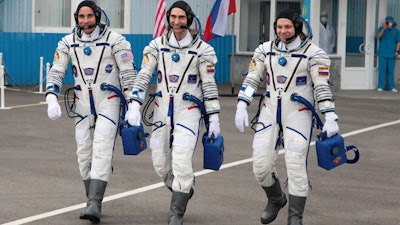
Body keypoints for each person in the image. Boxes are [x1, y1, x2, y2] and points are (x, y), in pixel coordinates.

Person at [235, 9, 339, 225]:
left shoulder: (314, 54)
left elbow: (322, 87)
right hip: (270, 111)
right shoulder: (265, 50)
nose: (283, 31)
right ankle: (275, 198)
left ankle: (295, 218)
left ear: (297, 27)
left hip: (298, 113)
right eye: (279, 27)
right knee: (261, 165)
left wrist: (329, 115)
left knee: (295, 162)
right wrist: (242, 104)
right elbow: (253, 78)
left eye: (288, 27)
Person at [126, 1, 221, 225]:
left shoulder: (203, 50)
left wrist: (214, 117)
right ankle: (183, 186)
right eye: (173, 17)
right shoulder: (156, 46)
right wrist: (134, 104)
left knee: (181, 158)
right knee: (160, 163)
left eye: (181, 17)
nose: (176, 22)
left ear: (188, 19)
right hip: (161, 110)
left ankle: (176, 212)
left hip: (188, 110)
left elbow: (209, 85)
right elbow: (143, 75)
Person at [45, 0, 137, 222]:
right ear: (77, 19)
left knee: (102, 148)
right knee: (84, 153)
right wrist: (51, 97)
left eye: (89, 16)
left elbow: (128, 74)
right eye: (81, 17)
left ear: (98, 16)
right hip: (82, 104)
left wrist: (134, 104)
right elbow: (57, 70)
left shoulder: (115, 41)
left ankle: (94, 203)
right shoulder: (68, 42)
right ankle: (91, 200)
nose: (85, 21)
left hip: (109, 101)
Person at [376, 16, 400, 92]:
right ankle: (380, 86)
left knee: (390, 71)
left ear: (393, 22)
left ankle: (391, 87)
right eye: (387, 21)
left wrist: (397, 51)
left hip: (392, 53)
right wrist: (383, 29)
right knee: (382, 70)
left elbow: (398, 42)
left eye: (390, 21)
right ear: (385, 22)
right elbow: (378, 37)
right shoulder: (381, 29)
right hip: (383, 53)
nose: (389, 23)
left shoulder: (396, 31)